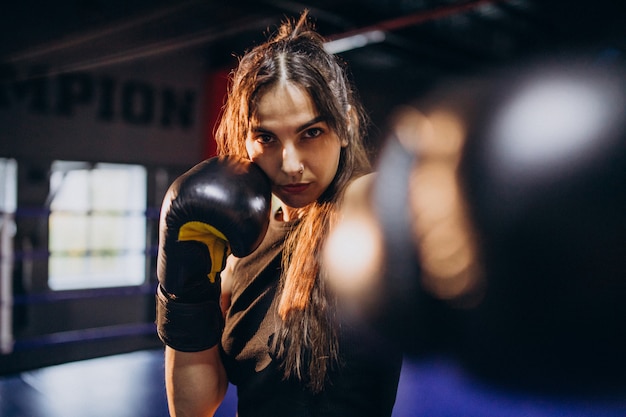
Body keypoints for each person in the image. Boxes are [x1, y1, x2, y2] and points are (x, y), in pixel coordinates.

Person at [160, 10, 403, 417]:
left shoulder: (365, 208)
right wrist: (183, 291)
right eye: (267, 138)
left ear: (343, 127)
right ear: (246, 138)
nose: (290, 164)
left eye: (311, 132)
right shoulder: (236, 241)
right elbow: (192, 408)